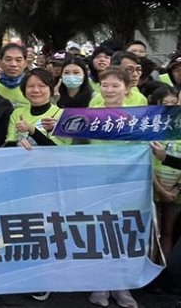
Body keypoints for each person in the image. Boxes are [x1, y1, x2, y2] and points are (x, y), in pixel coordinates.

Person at [86, 67, 140, 308]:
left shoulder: (137, 117)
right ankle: (100, 285)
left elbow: (142, 150)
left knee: (123, 233)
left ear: (127, 89)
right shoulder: (90, 114)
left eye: (116, 85)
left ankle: (121, 286)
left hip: (127, 182)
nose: (109, 90)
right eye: (104, 85)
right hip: (96, 181)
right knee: (99, 231)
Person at [146, 85, 181, 259]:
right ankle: (150, 268)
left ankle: (165, 270)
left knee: (169, 231)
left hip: (176, 193)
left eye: (175, 103)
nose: (172, 107)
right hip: (153, 189)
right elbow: (146, 161)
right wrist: (160, 189)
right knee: (153, 231)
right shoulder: (150, 126)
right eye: (165, 103)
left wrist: (176, 189)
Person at [5, 68, 67, 150]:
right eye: (30, 86)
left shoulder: (63, 115)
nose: (36, 90)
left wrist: (32, 130)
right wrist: (17, 144)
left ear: (51, 89)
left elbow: (58, 149)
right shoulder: (17, 113)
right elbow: (8, 143)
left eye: (42, 86)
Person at [0, 43, 29, 109]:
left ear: (25, 63)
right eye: (8, 59)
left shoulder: (33, 88)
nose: (13, 64)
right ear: (0, 63)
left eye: (18, 60)